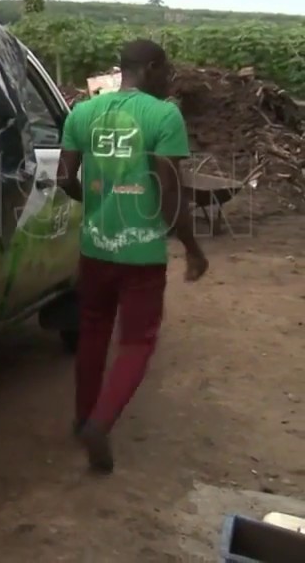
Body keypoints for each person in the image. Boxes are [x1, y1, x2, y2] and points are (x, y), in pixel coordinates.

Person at [55, 39, 209, 474]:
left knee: (92, 330)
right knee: (138, 341)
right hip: (141, 254)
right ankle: (100, 424)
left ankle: (84, 417)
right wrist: (192, 248)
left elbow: (64, 177)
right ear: (152, 68)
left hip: (95, 249)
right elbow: (170, 191)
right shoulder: (164, 116)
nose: (169, 79)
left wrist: (95, 204)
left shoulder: (82, 113)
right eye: (167, 70)